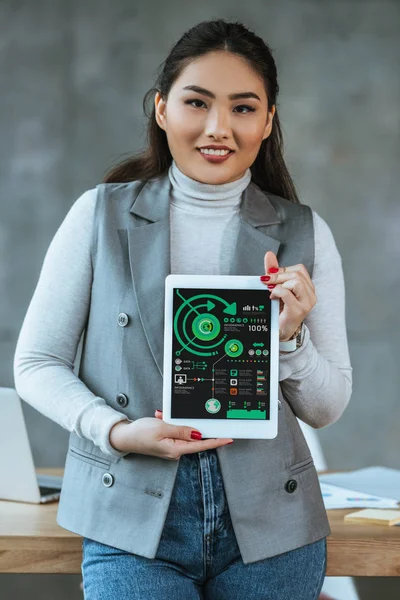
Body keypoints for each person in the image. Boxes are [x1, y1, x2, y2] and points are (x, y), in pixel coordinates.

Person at [13, 18, 352, 600]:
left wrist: (291, 341)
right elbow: (37, 362)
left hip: (272, 528)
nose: (219, 127)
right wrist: (117, 431)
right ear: (162, 109)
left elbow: (326, 407)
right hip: (129, 517)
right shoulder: (97, 217)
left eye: (244, 108)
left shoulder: (305, 233)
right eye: (198, 102)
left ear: (268, 121)